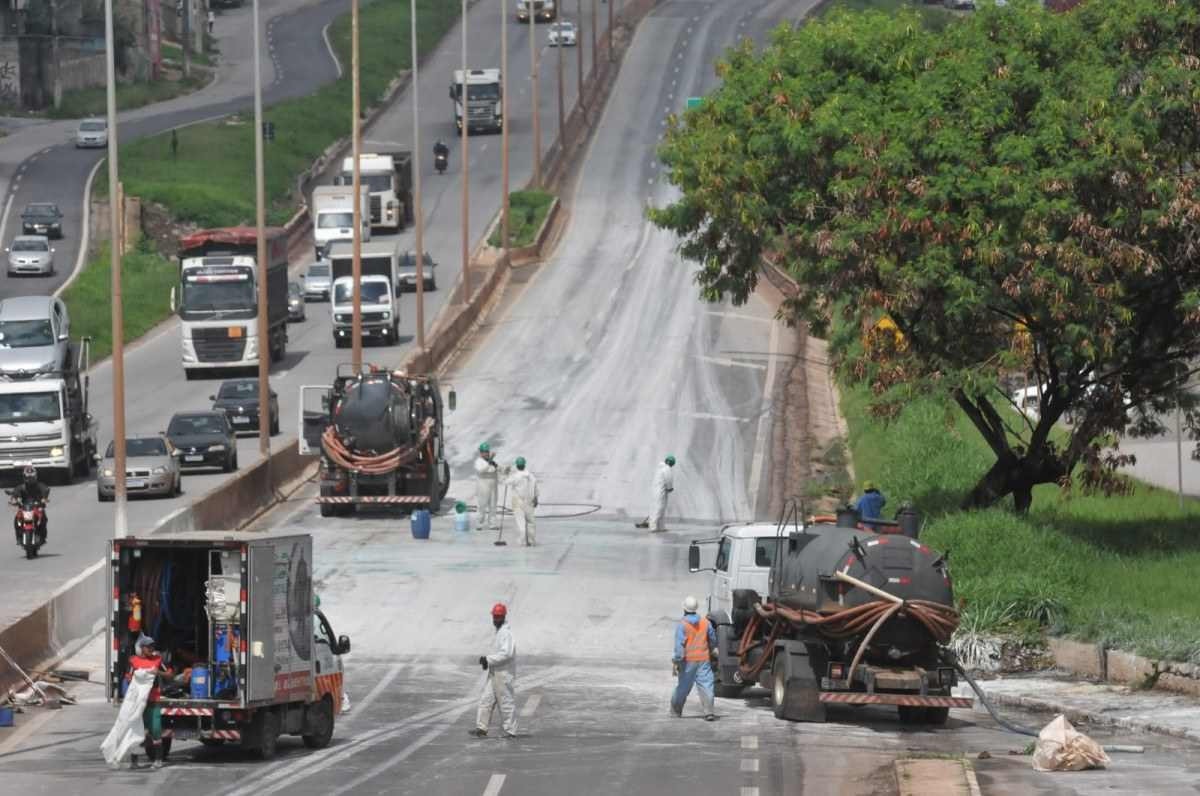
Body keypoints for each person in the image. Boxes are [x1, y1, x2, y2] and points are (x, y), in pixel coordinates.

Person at [127, 634, 175, 769]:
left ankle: (158, 760)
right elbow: (128, 678)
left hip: (153, 700)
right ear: (142, 648)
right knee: (136, 730)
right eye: (148, 646)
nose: (151, 649)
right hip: (138, 701)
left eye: (152, 646)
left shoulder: (158, 660)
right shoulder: (133, 661)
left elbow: (170, 674)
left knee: (155, 729)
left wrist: (158, 672)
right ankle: (134, 761)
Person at [470, 603, 517, 739]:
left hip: (503, 675)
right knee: (486, 699)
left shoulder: (506, 634)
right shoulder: (499, 632)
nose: (496, 619)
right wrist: (488, 662)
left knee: (506, 702)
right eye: (495, 616)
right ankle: (481, 728)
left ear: (503, 616)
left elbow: (507, 654)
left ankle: (510, 731)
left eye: (498, 617)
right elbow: (498, 653)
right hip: (495, 673)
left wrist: (488, 659)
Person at [671, 595, 716, 721]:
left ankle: (676, 710)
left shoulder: (682, 625)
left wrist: (676, 661)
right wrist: (712, 650)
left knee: (683, 687)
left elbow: (679, 646)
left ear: (684, 609)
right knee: (706, 685)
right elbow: (712, 640)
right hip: (703, 659)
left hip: (687, 662)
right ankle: (709, 712)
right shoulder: (705, 622)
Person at [11, 464, 49, 544]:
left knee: (43, 518)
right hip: (24, 508)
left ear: (35, 477)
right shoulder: (20, 487)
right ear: (24, 477)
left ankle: (42, 536)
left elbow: (45, 490)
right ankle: (19, 537)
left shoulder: (40, 486)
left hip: (37, 507)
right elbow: (14, 494)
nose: (30, 479)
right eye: (28, 478)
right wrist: (14, 500)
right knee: (16, 520)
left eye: (31, 477)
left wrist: (44, 499)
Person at [635, 455, 675, 531]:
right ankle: (653, 527)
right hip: (661, 492)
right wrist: (670, 488)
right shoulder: (666, 469)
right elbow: (668, 479)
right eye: (672, 463)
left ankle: (661, 527)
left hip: (656, 492)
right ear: (671, 462)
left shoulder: (659, 468)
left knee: (659, 509)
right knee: (659, 509)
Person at [506, 457, 539, 547]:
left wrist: (506, 473)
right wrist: (536, 498)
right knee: (531, 522)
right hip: (530, 501)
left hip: (518, 501)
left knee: (521, 522)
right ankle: (532, 541)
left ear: (517, 465)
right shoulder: (531, 476)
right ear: (524, 464)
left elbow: (506, 481)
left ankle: (523, 541)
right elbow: (536, 488)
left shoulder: (515, 476)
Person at [474, 442, 500, 530]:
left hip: (493, 487)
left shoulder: (492, 462)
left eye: (487, 452)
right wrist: (489, 461)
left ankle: (492, 524)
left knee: (493, 506)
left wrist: (504, 470)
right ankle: (479, 524)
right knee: (482, 506)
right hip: (483, 487)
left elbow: (497, 470)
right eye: (484, 452)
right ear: (481, 453)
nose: (486, 453)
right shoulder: (479, 462)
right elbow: (481, 470)